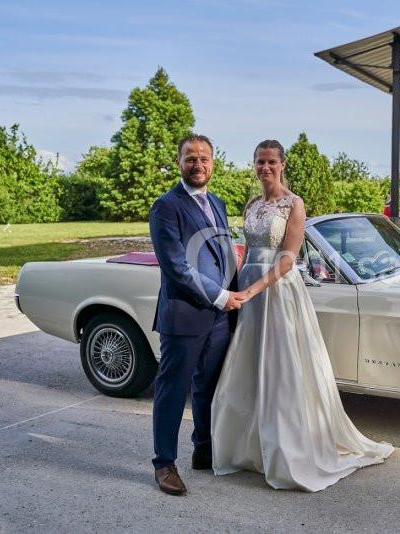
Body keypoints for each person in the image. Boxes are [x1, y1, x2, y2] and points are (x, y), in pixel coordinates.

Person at [211, 140, 393, 492]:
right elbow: (247, 252)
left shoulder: (293, 203)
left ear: (282, 164)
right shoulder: (252, 204)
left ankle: (286, 451)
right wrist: (232, 289)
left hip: (277, 291)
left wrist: (252, 290)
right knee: (249, 364)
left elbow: (289, 257)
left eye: (271, 162)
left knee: (282, 367)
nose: (265, 168)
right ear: (254, 165)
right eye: (260, 162)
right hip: (248, 287)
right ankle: (250, 449)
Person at [148, 134, 245, 496]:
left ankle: (203, 450)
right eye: (191, 158)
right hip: (185, 315)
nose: (198, 164)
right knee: (173, 390)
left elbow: (223, 254)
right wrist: (221, 297)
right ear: (179, 163)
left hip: (220, 317)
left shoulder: (216, 202)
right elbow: (177, 266)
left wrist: (238, 297)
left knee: (208, 385)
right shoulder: (165, 207)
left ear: (213, 163)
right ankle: (164, 464)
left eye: (204, 158)